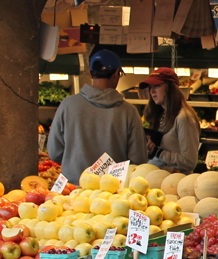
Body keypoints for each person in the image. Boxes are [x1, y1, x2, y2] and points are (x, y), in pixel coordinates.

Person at [47, 50, 148, 182]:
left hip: (73, 190)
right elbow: (138, 160)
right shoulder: (129, 112)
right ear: (117, 74)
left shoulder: (68, 105)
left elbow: (54, 153)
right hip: (112, 194)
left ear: (90, 73)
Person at [139, 67, 201, 173]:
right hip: (158, 178)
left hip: (174, 183)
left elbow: (189, 162)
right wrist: (150, 150)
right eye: (150, 87)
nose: (152, 91)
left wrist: (158, 152)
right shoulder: (161, 114)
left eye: (157, 86)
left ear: (170, 88)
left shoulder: (183, 118)